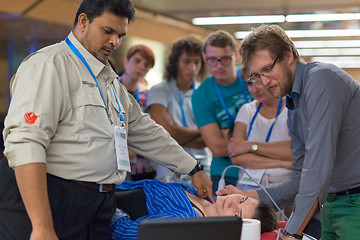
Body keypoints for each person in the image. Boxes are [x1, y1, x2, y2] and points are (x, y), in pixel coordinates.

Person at [0, 1, 213, 239]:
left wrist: (192, 167)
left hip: (100, 206)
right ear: (83, 22)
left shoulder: (108, 78)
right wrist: (41, 226)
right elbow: (26, 145)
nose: (115, 42)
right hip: (55, 200)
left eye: (120, 35)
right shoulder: (50, 65)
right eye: (107, 31)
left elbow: (143, 129)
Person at [221, 24, 360, 240]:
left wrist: (292, 232)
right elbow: (299, 177)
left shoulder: (321, 79)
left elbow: (316, 168)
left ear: (288, 55)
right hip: (331, 204)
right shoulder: (293, 104)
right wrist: (248, 195)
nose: (264, 82)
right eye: (257, 75)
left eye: (268, 69)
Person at [111, 179, 277, 239]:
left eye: (236, 213)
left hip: (102, 204)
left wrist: (109, 208)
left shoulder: (186, 220)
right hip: (110, 185)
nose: (232, 203)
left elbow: (127, 232)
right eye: (241, 199)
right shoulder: (201, 194)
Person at [192, 30, 253, 192]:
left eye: (225, 59)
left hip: (263, 169)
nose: (219, 65)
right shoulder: (201, 95)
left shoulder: (252, 78)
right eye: (212, 60)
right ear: (205, 58)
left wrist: (232, 138)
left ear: (236, 55)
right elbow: (217, 148)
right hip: (226, 173)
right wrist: (257, 143)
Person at [147, 36, 209, 183]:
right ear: (176, 62)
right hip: (169, 170)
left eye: (196, 62)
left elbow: (209, 140)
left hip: (203, 167)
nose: (192, 68)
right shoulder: (159, 91)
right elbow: (166, 134)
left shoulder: (205, 91)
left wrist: (178, 135)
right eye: (186, 61)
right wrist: (201, 128)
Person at [228, 65, 292, 192]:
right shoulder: (247, 110)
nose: (254, 89)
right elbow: (237, 157)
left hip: (284, 187)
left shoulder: (292, 109)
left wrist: (249, 146)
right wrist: (282, 163)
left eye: (259, 82)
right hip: (248, 187)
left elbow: (294, 152)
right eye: (249, 84)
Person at [119, 44, 157, 181]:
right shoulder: (111, 90)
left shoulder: (148, 96)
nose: (141, 67)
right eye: (137, 61)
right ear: (126, 61)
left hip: (144, 167)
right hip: (117, 163)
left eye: (146, 65)